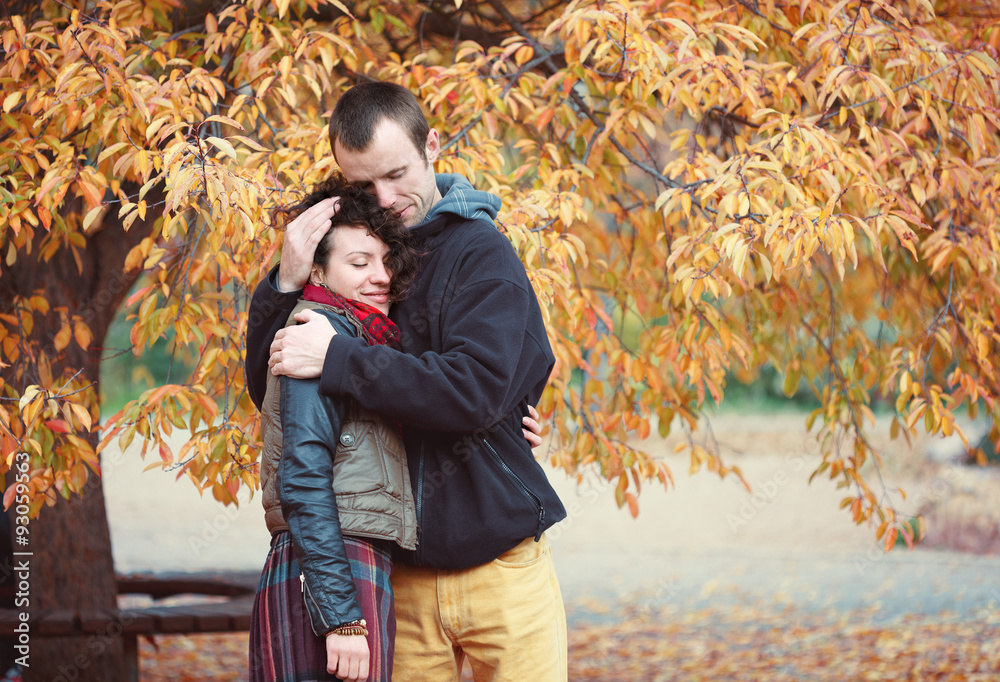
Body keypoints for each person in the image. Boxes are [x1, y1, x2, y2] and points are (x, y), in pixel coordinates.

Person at [246, 81, 569, 680]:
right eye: (363, 184)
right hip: (400, 575)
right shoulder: (352, 258)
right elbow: (275, 389)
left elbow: (480, 388)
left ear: (433, 148)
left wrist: (343, 361)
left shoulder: (481, 253)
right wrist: (285, 284)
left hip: (500, 562)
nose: (385, 198)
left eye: (396, 175)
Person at [249, 175, 420, 682]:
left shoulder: (359, 346)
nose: (381, 276)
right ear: (319, 272)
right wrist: (341, 616)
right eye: (359, 263)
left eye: (387, 261)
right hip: (328, 568)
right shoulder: (315, 333)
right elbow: (301, 477)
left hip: (343, 564)